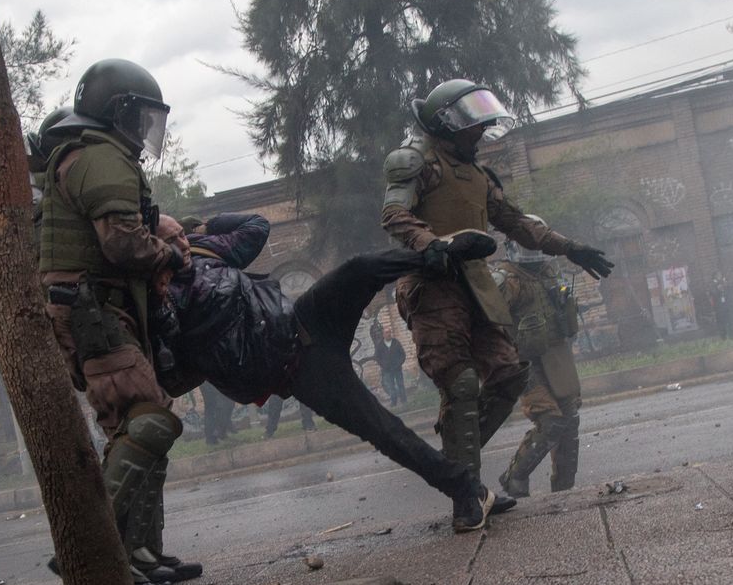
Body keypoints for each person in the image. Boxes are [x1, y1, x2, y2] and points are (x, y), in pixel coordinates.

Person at [151, 213, 506, 532]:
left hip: (305, 317)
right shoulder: (159, 299)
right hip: (299, 371)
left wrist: (207, 227)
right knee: (384, 430)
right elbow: (173, 370)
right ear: (151, 250)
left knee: (358, 268)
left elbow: (256, 226)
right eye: (170, 240)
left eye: (181, 234)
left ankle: (438, 255)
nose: (181, 243)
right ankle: (465, 490)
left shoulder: (205, 252)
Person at [381, 79, 613, 489]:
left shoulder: (478, 177)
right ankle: (466, 491)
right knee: (462, 383)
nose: (479, 132)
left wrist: (569, 247)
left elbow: (516, 223)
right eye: (472, 125)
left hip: (475, 284)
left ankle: (454, 467)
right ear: (448, 123)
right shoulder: (417, 162)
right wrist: (431, 245)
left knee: (508, 375)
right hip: (433, 286)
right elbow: (395, 215)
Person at [34, 58, 195, 585]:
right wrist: (170, 253)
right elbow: (121, 243)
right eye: (142, 116)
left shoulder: (95, 154)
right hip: (93, 309)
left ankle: (139, 552)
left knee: (144, 425)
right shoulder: (100, 155)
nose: (148, 130)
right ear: (118, 111)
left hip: (102, 307)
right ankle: (92, 553)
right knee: (148, 422)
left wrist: (165, 229)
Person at [494, 233, 584, 496]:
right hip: (523, 360)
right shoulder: (505, 279)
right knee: (550, 420)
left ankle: (565, 489)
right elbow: (488, 322)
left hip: (556, 354)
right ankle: (514, 477)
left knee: (570, 419)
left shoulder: (549, 272)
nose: (531, 252)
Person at [372, 323, 409, 406]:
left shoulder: (396, 343)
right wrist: (383, 365)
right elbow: (377, 357)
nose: (388, 334)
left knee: (400, 384)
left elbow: (402, 355)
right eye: (386, 333)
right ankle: (394, 402)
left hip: (397, 368)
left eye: (389, 332)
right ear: (383, 334)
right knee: (391, 386)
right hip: (387, 370)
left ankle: (404, 401)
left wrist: (399, 364)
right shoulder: (380, 345)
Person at [709, 271, 733, 340]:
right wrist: (718, 289)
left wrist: (726, 285)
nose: (719, 277)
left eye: (720, 275)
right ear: (715, 277)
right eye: (718, 275)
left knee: (732, 321)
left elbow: (731, 291)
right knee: (721, 323)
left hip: (728, 306)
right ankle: (724, 337)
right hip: (719, 308)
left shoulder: (725, 282)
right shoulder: (713, 285)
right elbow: (712, 295)